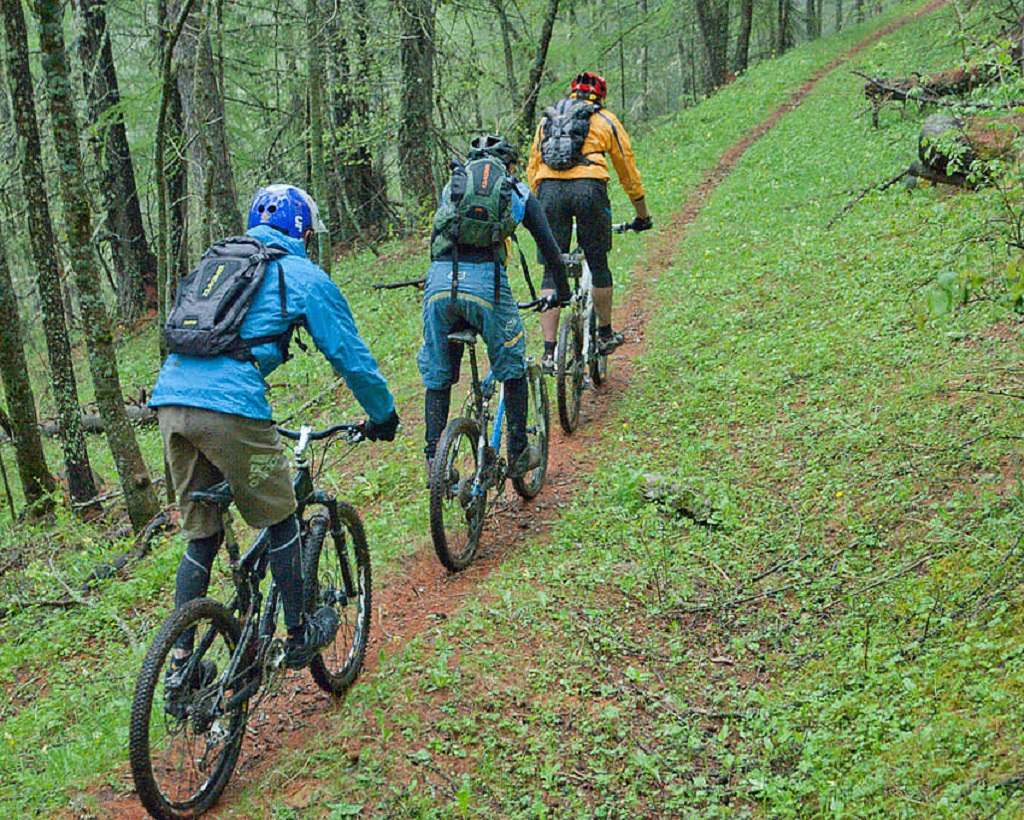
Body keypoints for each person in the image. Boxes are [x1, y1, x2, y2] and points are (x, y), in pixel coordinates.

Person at [150, 184, 400, 702]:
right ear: (303, 232)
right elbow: (348, 355)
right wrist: (383, 415)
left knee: (201, 535)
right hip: (230, 408)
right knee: (281, 514)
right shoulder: (302, 275)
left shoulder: (215, 265)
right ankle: (300, 629)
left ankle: (179, 666)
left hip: (170, 404)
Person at [419, 134, 571, 477]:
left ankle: (434, 459)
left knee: (439, 373)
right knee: (512, 363)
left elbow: (436, 241)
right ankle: (517, 453)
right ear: (510, 166)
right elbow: (549, 247)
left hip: (441, 284)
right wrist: (562, 290)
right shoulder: (517, 192)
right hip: (487, 286)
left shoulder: (453, 188)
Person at [526, 71, 654, 374]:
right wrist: (641, 213)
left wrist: (537, 208)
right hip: (589, 190)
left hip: (549, 193)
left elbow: (534, 165)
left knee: (551, 271)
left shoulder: (548, 120)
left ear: (572, 95)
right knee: (598, 263)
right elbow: (627, 167)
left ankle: (548, 352)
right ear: (601, 97)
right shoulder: (605, 119)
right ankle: (605, 335)